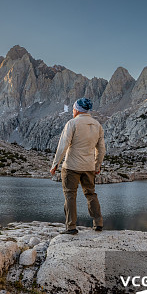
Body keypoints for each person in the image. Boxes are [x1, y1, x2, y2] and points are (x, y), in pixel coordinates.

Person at [49, 97, 105, 234]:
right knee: (91, 194)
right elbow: (101, 149)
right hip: (89, 167)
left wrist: (55, 164)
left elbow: (63, 145)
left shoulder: (72, 123)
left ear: (77, 110)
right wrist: (97, 166)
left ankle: (71, 227)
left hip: (71, 167)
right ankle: (98, 223)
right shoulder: (97, 125)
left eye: (74, 109)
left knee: (70, 195)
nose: (72, 111)